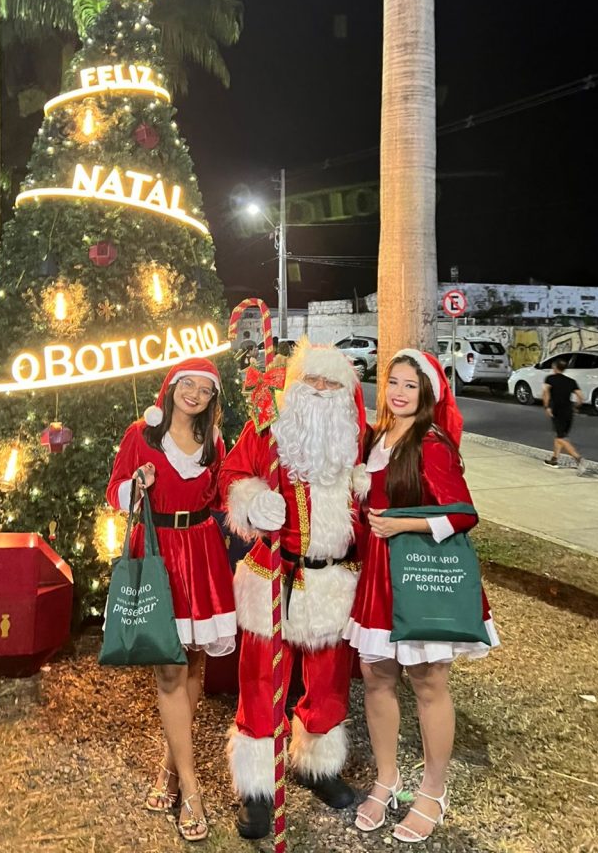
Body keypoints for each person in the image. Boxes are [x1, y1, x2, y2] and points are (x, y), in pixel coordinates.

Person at [344, 349, 499, 844]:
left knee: (428, 682)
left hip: (417, 573)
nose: (399, 392)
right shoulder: (376, 437)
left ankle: (432, 791)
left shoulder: (431, 443)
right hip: (378, 578)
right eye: (394, 382)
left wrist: (400, 523)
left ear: (427, 394)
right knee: (376, 678)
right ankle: (387, 779)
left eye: (411, 385)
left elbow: (463, 514)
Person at [219, 339, 369, 840]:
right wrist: (253, 500)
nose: (322, 391)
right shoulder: (268, 429)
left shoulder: (358, 440)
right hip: (274, 575)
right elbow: (234, 473)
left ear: (347, 393)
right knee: (261, 677)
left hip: (333, 578)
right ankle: (258, 785)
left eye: (332, 383)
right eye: (313, 381)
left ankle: (317, 765)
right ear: (296, 386)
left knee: (328, 679)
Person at [106, 357, 236, 842]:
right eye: (189, 385)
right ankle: (193, 788)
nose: (196, 395)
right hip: (159, 554)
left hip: (202, 554)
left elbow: (224, 495)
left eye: (205, 389)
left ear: (211, 399)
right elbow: (113, 490)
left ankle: (168, 768)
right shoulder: (141, 433)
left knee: (195, 667)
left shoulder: (215, 442)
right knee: (169, 669)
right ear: (173, 386)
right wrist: (134, 486)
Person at [542, 358, 585, 471]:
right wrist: (575, 406)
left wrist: (546, 406)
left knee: (561, 437)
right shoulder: (571, 381)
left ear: (555, 367)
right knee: (560, 435)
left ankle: (578, 458)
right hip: (568, 411)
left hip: (557, 411)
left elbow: (545, 392)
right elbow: (581, 397)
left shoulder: (550, 379)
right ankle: (554, 459)